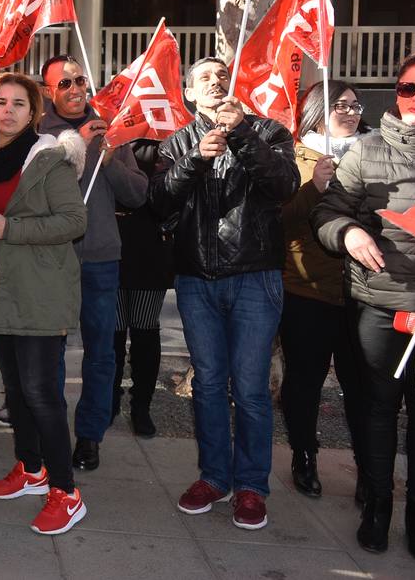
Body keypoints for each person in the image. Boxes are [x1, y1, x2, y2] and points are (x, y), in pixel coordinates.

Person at [150, 57, 298, 532]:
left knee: (251, 388)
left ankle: (252, 485)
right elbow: (159, 203)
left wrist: (241, 136)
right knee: (209, 385)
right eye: (203, 79)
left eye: (221, 76)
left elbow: (283, 186)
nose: (214, 83)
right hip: (197, 281)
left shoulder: (269, 132)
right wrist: (197, 160)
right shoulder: (176, 144)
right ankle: (214, 478)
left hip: (255, 278)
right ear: (189, 95)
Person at [314, 49, 415, 563]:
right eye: (408, 88)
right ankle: (378, 506)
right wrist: (347, 234)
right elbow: (327, 211)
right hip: (377, 305)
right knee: (378, 407)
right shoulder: (364, 152)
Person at [0, 72, 89, 536]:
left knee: (41, 393)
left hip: (38, 291)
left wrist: (8, 229)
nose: (8, 111)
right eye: (1, 102)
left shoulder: (47, 159)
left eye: (18, 104)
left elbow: (74, 221)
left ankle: (67, 493)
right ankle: (31, 469)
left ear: (33, 113)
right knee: (16, 388)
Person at [38, 55, 147, 472]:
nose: (73, 89)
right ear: (49, 92)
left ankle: (90, 435)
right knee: (50, 351)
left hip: (101, 257)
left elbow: (137, 194)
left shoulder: (110, 131)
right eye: (62, 84)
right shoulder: (38, 131)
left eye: (79, 80)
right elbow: (38, 190)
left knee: (102, 353)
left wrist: (105, 152)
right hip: (52, 257)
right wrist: (78, 145)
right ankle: (50, 433)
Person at [280, 81, 368, 501]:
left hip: (363, 295)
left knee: (365, 386)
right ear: (317, 109)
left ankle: (371, 467)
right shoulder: (296, 156)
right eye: (340, 105)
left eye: (355, 105)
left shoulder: (372, 155)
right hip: (308, 290)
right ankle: (305, 456)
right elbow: (279, 221)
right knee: (305, 382)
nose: (350, 112)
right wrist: (313, 185)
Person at [112, 138, 173, 439]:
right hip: (111, 242)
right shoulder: (111, 135)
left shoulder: (167, 137)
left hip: (151, 244)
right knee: (113, 329)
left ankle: (141, 407)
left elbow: (170, 194)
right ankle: (109, 400)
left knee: (145, 331)